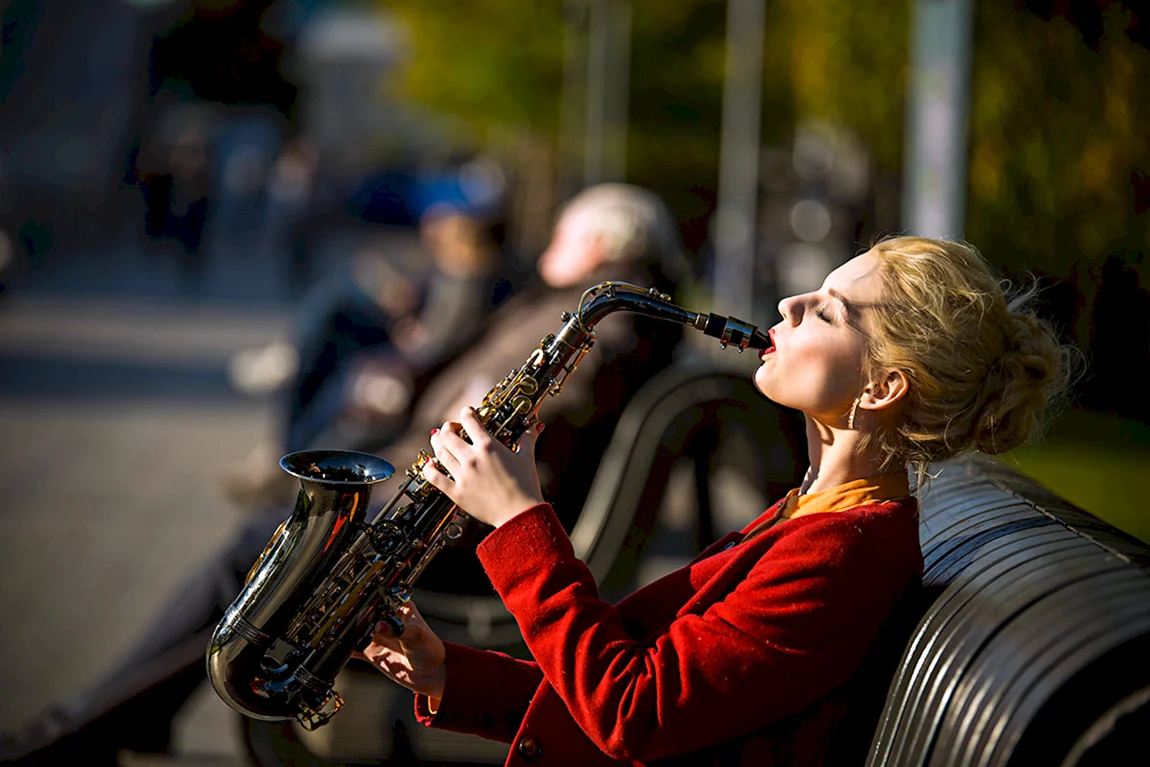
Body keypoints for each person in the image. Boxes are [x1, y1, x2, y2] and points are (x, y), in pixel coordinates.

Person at [0, 183, 690, 765]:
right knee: (268, 534)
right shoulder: (577, 309)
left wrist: (461, 415)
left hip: (463, 533)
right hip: (449, 506)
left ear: (599, 247)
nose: (546, 250)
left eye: (563, 236)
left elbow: (542, 426)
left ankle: (87, 727)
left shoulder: (612, 328)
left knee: (261, 550)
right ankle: (113, 716)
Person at [354, 235, 1073, 766]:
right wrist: (451, 672)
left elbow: (634, 712)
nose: (790, 303)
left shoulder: (841, 554)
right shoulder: (814, 514)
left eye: (829, 312)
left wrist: (519, 519)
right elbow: (648, 683)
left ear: (883, 387)